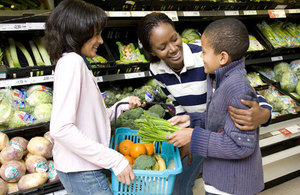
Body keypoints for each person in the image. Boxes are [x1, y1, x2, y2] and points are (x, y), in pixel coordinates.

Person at [138, 13, 272, 195]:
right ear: (152, 52)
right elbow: (177, 103)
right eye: (162, 47)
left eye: (174, 39)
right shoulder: (156, 70)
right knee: (182, 184)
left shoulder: (208, 58)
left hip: (213, 137)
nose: (173, 48)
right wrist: (187, 120)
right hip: (202, 129)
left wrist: (263, 114)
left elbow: (247, 96)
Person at [45, 0, 143, 194]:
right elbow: (61, 129)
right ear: (77, 32)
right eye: (96, 34)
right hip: (83, 171)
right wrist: (115, 160)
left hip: (82, 168)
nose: (100, 40)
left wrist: (120, 106)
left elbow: (86, 120)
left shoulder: (75, 62)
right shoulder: (72, 63)